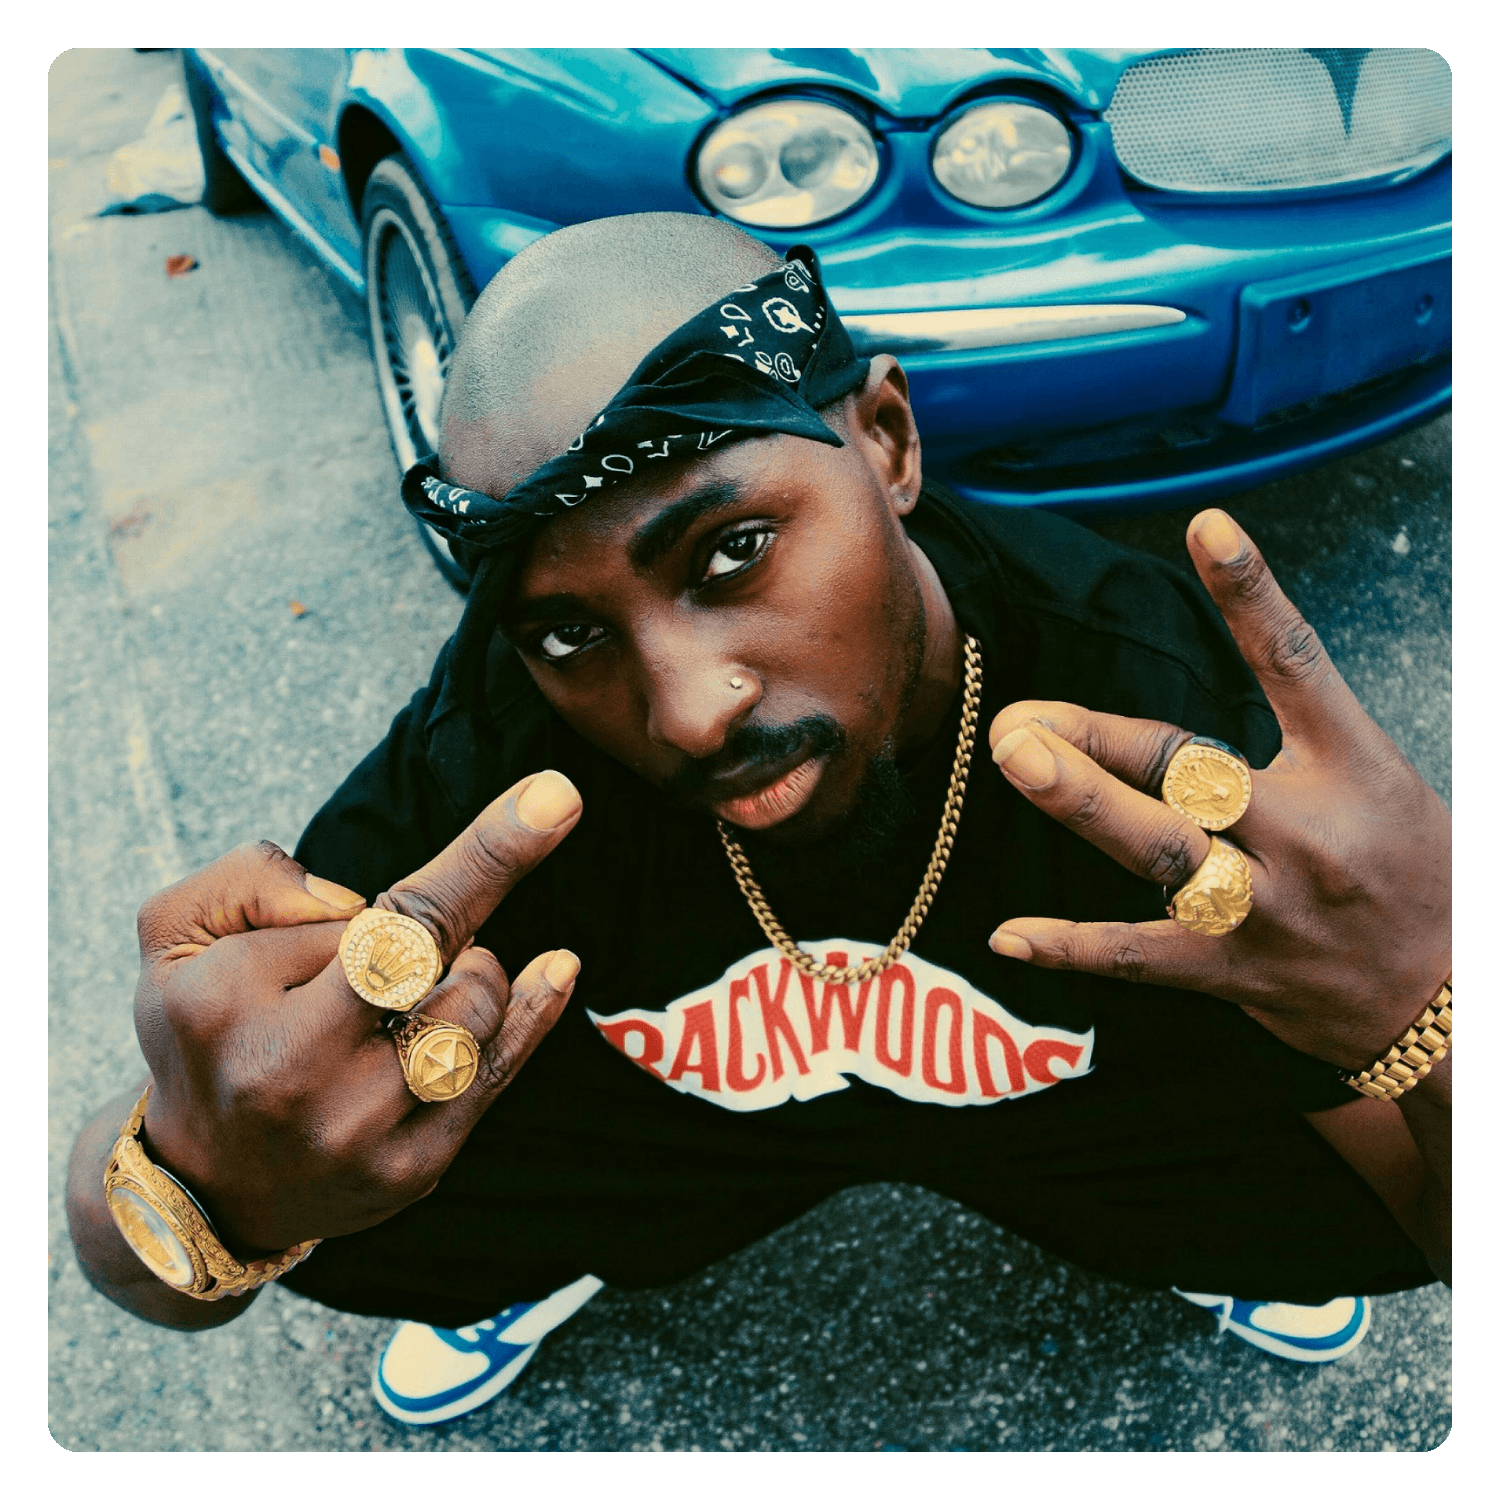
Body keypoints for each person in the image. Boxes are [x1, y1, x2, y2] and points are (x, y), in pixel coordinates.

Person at [67, 212, 1452, 1430]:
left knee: (1369, 1138)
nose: (685, 714)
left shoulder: (1137, 700)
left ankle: (1203, 1239)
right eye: (569, 631)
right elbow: (127, 1246)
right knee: (334, 1150)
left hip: (1084, 1109)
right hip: (679, 1136)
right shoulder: (502, 739)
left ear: (887, 442)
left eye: (731, 552)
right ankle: (521, 1259)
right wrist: (203, 1183)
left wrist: (1425, 1003)